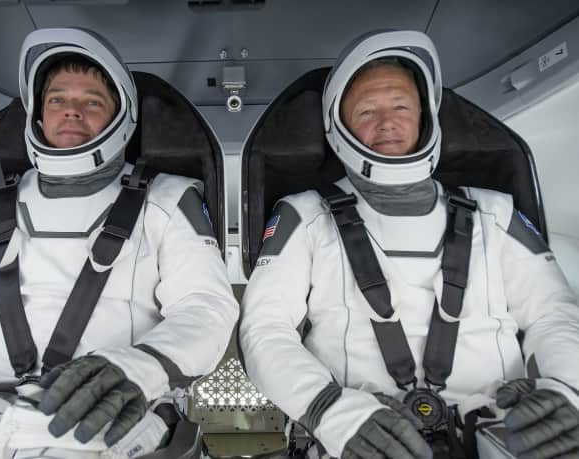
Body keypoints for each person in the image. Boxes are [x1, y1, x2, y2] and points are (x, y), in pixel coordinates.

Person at [0, 27, 238, 458]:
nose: (71, 110)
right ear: (38, 115)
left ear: (121, 118)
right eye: (56, 99)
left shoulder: (168, 199)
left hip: (114, 398)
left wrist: (137, 368)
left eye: (92, 102)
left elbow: (205, 307)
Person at [239, 30, 579, 459]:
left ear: (425, 116)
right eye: (366, 110)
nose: (387, 122)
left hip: (503, 423)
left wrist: (567, 389)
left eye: (401, 106)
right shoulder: (302, 214)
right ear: (339, 126)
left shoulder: (496, 211)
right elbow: (265, 329)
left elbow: (554, 315)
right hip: (356, 427)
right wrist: (329, 410)